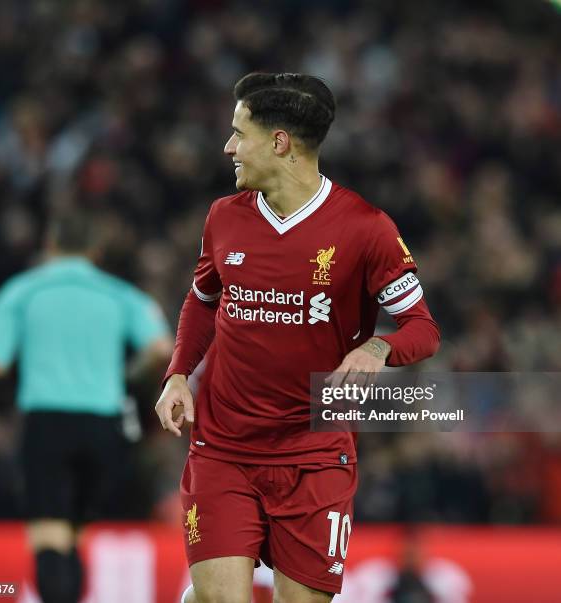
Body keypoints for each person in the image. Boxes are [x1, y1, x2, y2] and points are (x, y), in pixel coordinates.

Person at [155, 72, 440, 603]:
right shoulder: (223, 218)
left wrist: (378, 346)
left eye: (239, 133)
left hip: (315, 455)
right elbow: (203, 300)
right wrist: (176, 375)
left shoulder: (366, 228)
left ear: (279, 141)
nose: (228, 147)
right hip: (223, 447)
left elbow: (423, 329)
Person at [0, 212, 173, 603]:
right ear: (96, 252)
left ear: (49, 246)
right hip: (104, 426)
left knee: (50, 535)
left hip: (47, 421)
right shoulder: (120, 294)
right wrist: (127, 376)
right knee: (75, 532)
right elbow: (161, 348)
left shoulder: (21, 292)